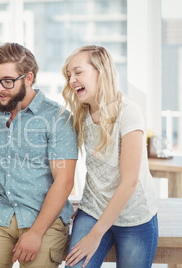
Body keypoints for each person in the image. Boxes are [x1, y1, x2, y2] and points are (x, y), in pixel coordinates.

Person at [0, 43, 78, 268]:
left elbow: (64, 180)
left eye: (8, 81)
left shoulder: (57, 118)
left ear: (28, 77)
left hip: (45, 221)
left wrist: (36, 233)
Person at [62, 45, 158, 268]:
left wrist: (94, 236)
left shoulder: (129, 112)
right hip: (92, 209)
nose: (71, 80)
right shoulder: (81, 112)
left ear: (101, 71)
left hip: (134, 216)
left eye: (78, 72)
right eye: (69, 75)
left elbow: (129, 182)